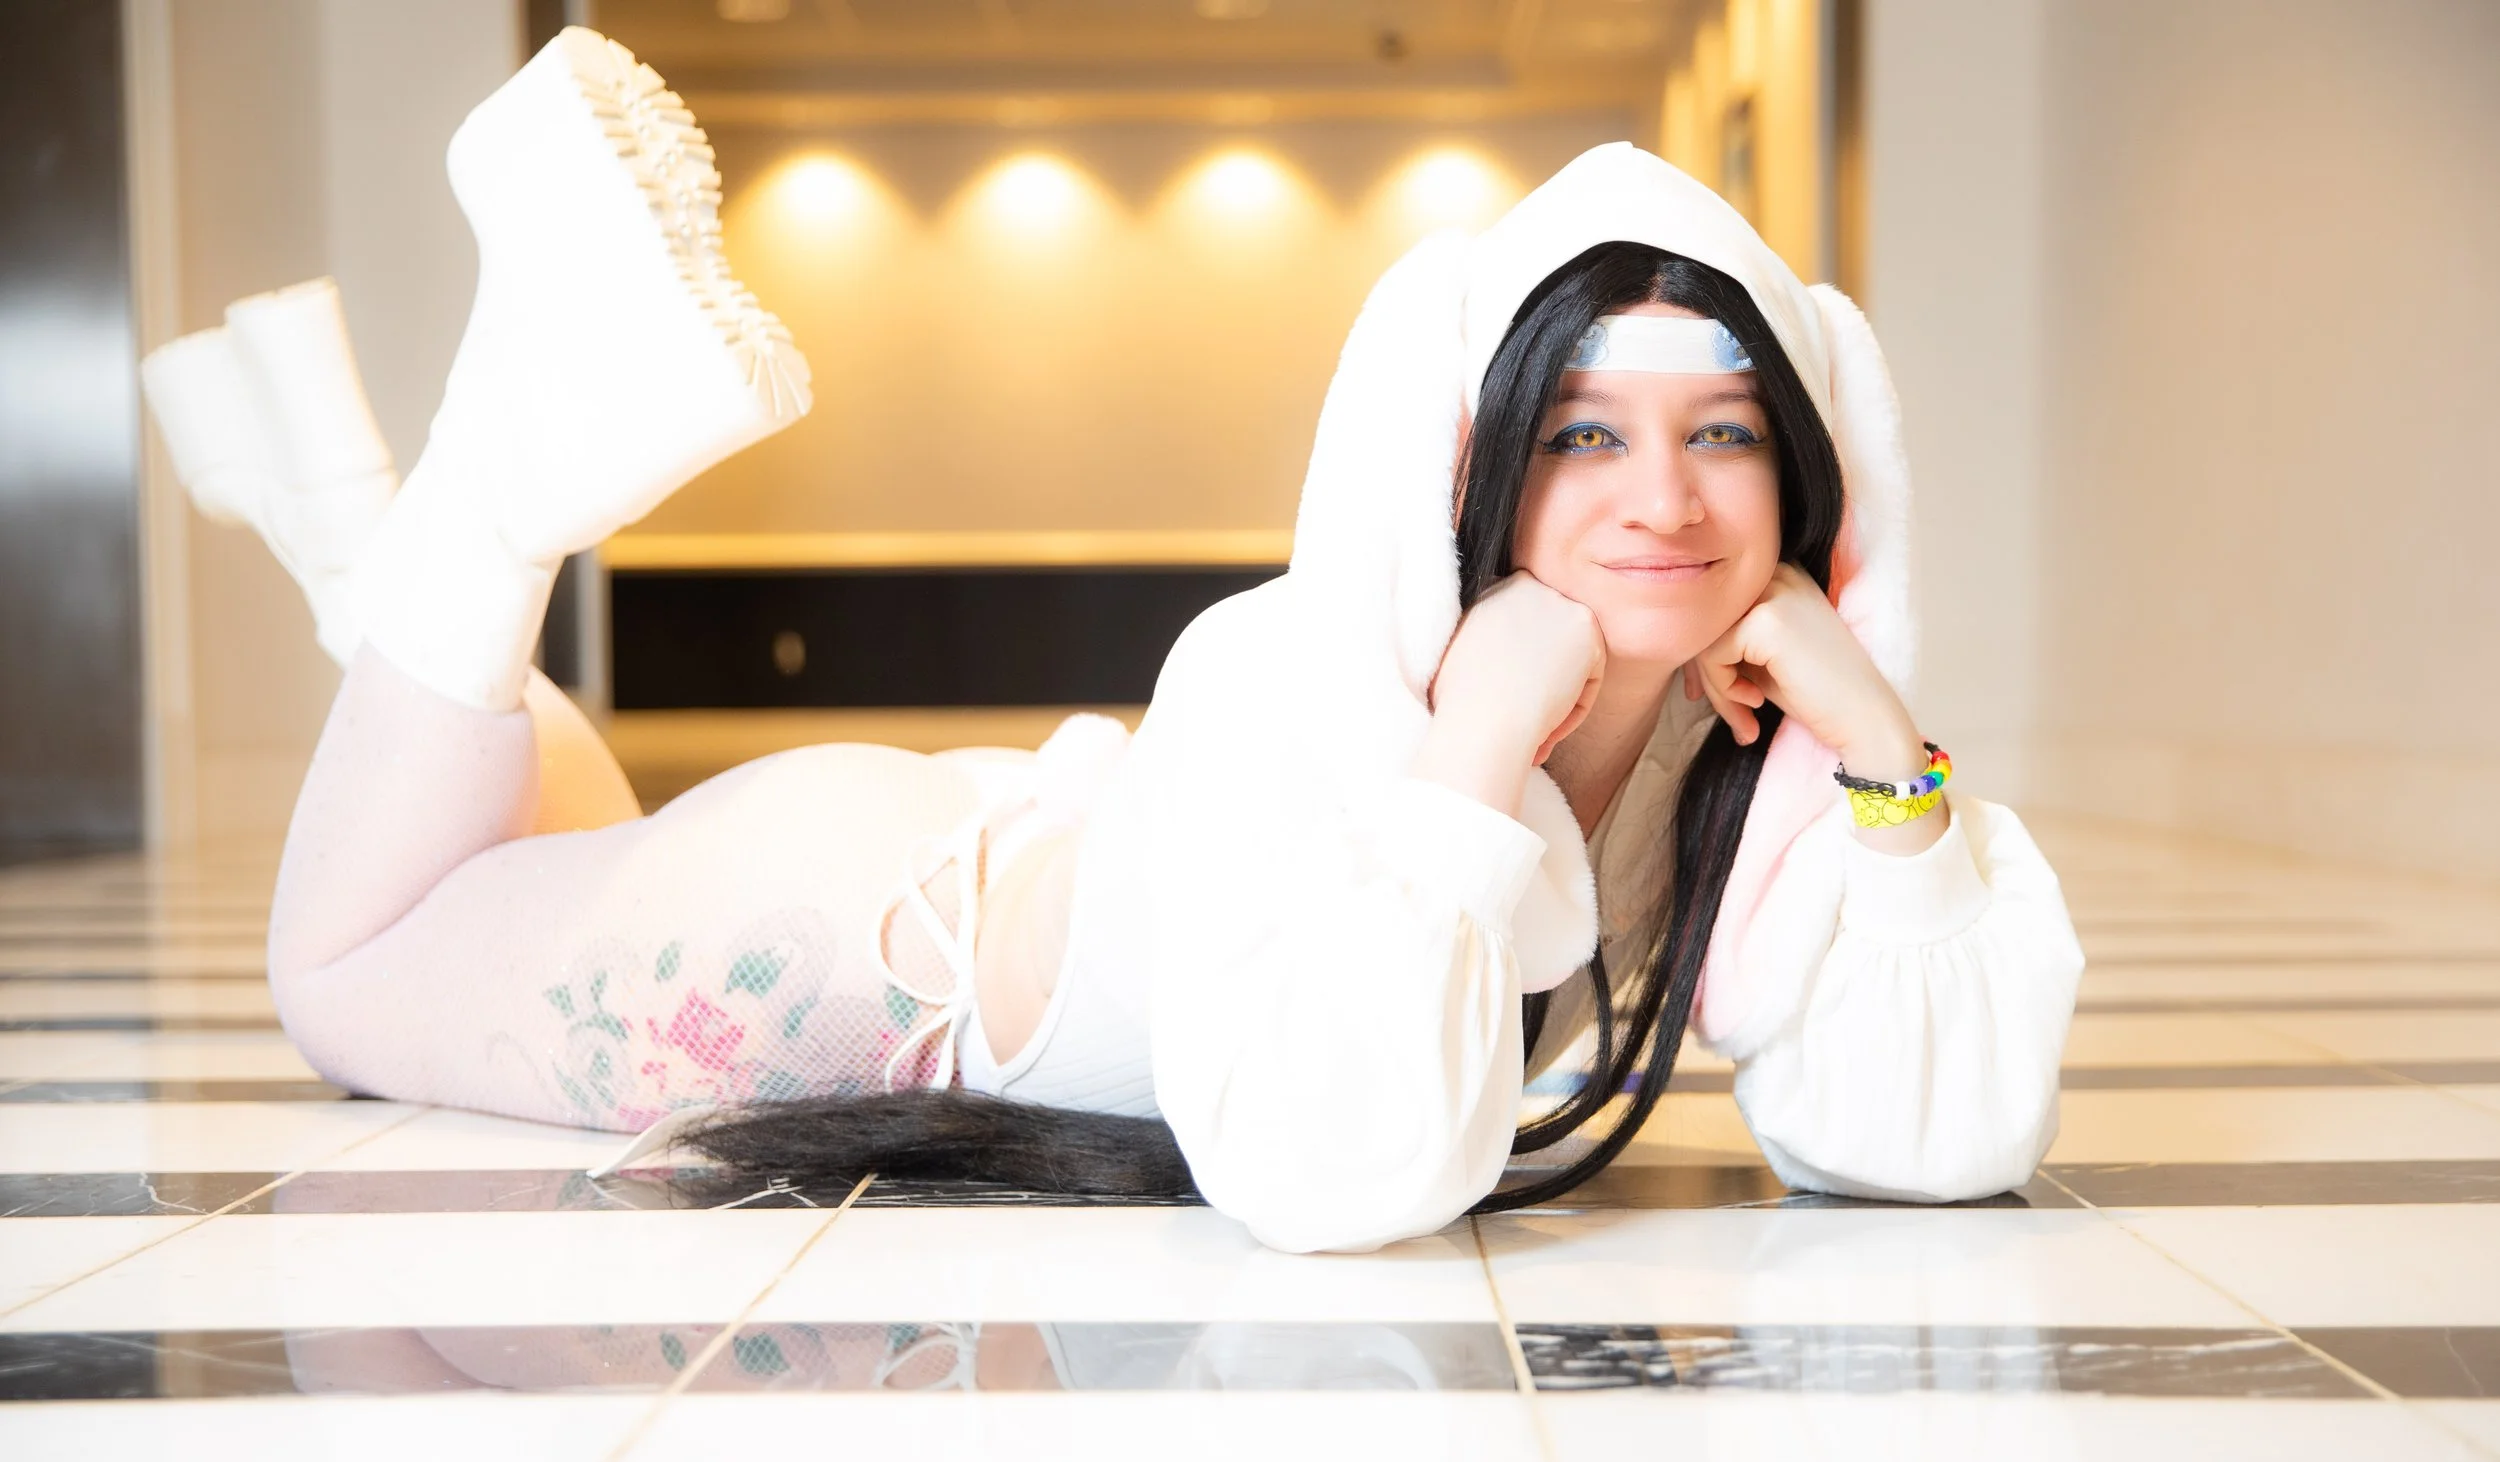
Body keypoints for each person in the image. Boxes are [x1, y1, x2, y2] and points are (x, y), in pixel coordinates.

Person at [143, 27, 2083, 1258]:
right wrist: (1468, 758)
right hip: (857, 950)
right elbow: (1330, 1176)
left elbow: (1924, 1143)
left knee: (536, 843)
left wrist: (1882, 747)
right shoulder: (1292, 662)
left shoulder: (1725, 751)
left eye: (1721, 433)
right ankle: (494, 484)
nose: (1660, 498)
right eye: (1582, 435)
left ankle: (333, 506)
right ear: (1479, 463)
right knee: (347, 968)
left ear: (1804, 473)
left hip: (963, 851)